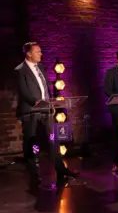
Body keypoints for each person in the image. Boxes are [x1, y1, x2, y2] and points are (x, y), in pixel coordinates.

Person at [15, 42, 78, 186]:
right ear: (28, 54)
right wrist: (37, 102)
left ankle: (61, 170)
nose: (41, 54)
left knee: (52, 141)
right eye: (37, 52)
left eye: (40, 51)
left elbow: (46, 89)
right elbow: (24, 92)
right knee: (32, 144)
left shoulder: (41, 67)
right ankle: (34, 175)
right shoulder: (20, 70)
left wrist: (50, 103)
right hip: (30, 112)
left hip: (45, 111)